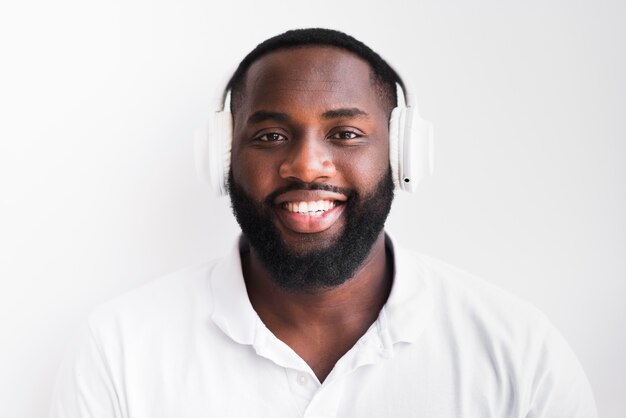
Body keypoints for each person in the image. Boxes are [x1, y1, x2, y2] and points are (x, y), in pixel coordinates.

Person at [50, 28, 597, 417]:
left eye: (347, 134)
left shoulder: (519, 352)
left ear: (404, 155)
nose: (307, 165)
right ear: (222, 157)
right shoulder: (119, 349)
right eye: (269, 136)